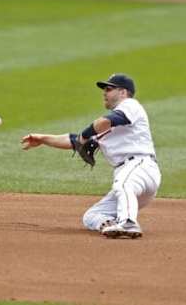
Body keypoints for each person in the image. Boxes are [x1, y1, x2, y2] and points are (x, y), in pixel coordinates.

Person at [21, 74, 161, 239]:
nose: (104, 93)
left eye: (109, 89)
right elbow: (74, 141)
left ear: (123, 92)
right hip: (132, 174)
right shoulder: (109, 129)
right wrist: (44, 139)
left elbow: (102, 123)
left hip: (140, 167)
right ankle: (111, 225)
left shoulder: (130, 105)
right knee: (92, 215)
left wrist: (84, 135)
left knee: (123, 185)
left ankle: (129, 222)